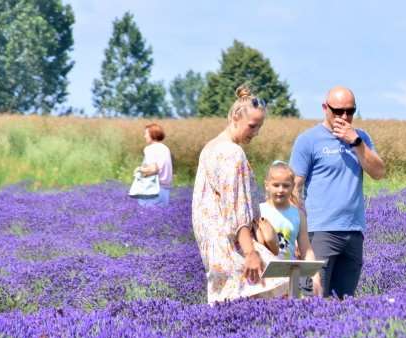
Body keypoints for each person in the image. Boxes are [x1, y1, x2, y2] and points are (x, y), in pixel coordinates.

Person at [191, 86, 286, 304]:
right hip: (234, 247)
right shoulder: (232, 153)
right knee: (269, 292)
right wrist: (251, 253)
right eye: (252, 126)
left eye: (259, 127)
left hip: (214, 247)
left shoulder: (210, 147)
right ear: (236, 117)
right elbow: (236, 209)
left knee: (228, 307)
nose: (255, 133)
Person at [289, 86, 385, 298]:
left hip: (353, 232)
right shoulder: (308, 140)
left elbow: (379, 172)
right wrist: (297, 235)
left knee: (344, 304)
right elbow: (294, 187)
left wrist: (355, 142)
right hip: (319, 232)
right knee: (311, 299)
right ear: (325, 108)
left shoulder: (362, 138)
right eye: (338, 111)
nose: (345, 117)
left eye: (350, 112)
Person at [256, 161, 322, 296]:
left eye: (286, 186)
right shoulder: (259, 211)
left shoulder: (298, 215)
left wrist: (315, 277)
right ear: (266, 185)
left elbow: (306, 250)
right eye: (276, 185)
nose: (281, 190)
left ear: (293, 187)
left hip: (290, 276)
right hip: (263, 279)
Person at [137, 123, 173, 207]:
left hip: (152, 190)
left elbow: (153, 169)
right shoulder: (165, 148)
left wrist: (139, 170)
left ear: (152, 134)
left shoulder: (150, 149)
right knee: (160, 218)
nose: (144, 136)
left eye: (146, 134)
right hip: (165, 190)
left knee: (146, 217)